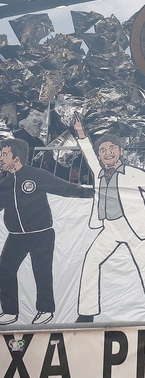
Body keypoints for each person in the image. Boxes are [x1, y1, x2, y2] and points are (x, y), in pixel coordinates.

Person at [73, 118, 145, 323]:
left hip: (133, 228)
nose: (107, 152)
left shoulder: (133, 173)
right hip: (109, 227)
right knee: (91, 261)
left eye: (111, 148)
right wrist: (81, 133)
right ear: (99, 156)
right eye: (102, 150)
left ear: (120, 151)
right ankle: (86, 313)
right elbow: (88, 154)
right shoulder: (99, 173)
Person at [0, 138, 93, 325]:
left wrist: (91, 193)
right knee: (4, 271)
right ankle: (10, 311)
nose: (0, 158)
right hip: (16, 236)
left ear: (16, 157)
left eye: (4, 154)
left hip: (41, 233)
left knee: (41, 273)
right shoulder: (5, 183)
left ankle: (45, 310)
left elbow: (63, 187)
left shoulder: (35, 175)